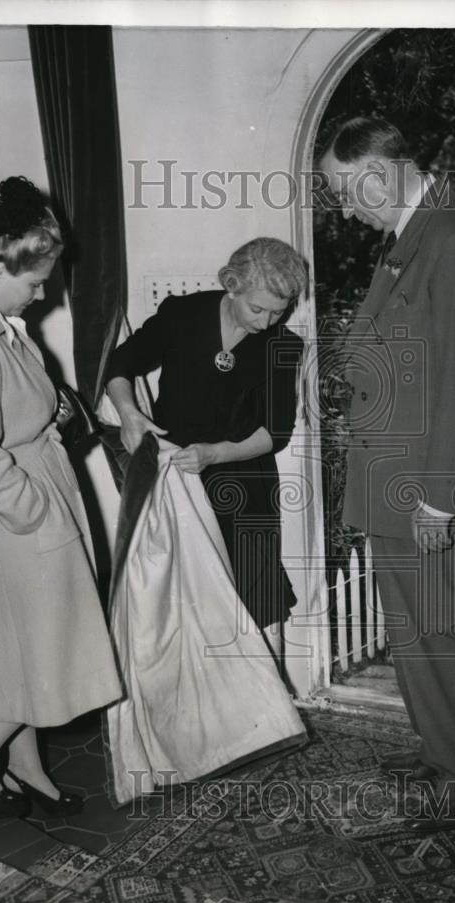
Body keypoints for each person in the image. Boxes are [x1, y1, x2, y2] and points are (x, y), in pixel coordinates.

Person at [319, 118, 455, 830]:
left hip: (432, 491)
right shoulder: (413, 236)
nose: (344, 207)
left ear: (379, 170)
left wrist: (439, 502)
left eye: (345, 190)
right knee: (413, 631)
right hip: (397, 482)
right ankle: (443, 750)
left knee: (443, 631)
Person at [0, 176, 122, 819]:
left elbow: (22, 406)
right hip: (16, 517)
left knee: (26, 654)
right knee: (41, 648)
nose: (42, 294)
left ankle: (28, 765)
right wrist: (36, 512)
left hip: (36, 495)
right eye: (35, 280)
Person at [102, 237, 309, 802]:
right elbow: (119, 365)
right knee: (177, 605)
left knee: (251, 597)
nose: (267, 322)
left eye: (278, 311)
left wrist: (216, 453)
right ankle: (191, 735)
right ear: (231, 283)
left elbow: (276, 432)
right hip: (174, 483)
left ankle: (255, 727)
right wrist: (130, 416)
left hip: (242, 482)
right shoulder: (184, 314)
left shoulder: (280, 347)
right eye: (257, 308)